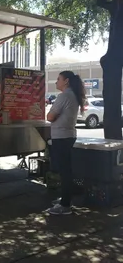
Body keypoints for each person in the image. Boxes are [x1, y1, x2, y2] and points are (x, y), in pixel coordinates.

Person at [46, 70, 86, 215]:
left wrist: (50, 113)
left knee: (65, 172)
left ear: (66, 81)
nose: (56, 82)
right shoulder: (72, 95)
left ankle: (65, 205)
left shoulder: (64, 96)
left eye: (58, 79)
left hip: (62, 137)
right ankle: (66, 198)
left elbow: (50, 116)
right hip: (67, 136)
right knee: (65, 170)